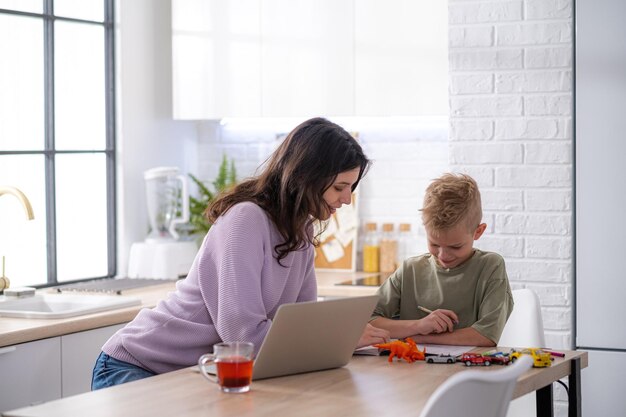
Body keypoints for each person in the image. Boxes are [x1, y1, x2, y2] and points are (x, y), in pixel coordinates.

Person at [91, 117, 389, 390]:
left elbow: (301, 323)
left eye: (351, 188)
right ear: (307, 176)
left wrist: (333, 340)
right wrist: (336, 340)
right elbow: (242, 337)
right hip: (135, 366)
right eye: (340, 187)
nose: (347, 200)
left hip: (197, 373)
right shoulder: (245, 219)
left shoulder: (302, 230)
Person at [369, 173, 513, 347]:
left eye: (455, 246)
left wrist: (417, 338)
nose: (443, 255)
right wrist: (419, 325)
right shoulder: (410, 269)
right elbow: (367, 321)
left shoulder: (490, 266)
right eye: (434, 244)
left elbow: (486, 336)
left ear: (478, 231)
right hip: (409, 370)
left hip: (468, 372)